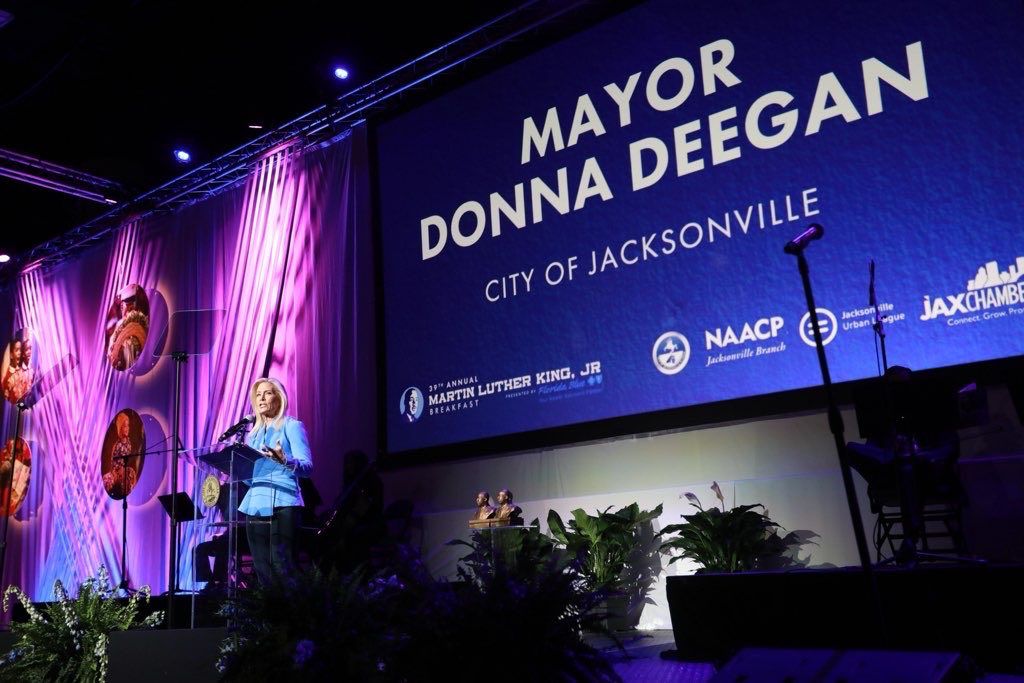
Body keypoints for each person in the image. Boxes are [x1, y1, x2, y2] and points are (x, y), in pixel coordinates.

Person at [238, 377, 313, 585]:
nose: (261, 398)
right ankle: (268, 615)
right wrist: (236, 470)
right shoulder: (252, 436)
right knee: (262, 568)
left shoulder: (292, 426)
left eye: (267, 393)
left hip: (283, 502)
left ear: (279, 398)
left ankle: (292, 615)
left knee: (283, 566)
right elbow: (249, 479)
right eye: (258, 395)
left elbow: (307, 468)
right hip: (255, 505)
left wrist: (285, 460)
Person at [103, 412, 139, 498]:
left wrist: (124, 470)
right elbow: (113, 462)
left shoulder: (129, 443)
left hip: (124, 471)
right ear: (120, 428)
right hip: (116, 472)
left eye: (128, 426)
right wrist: (116, 472)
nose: (127, 429)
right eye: (124, 426)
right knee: (107, 480)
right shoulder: (117, 444)